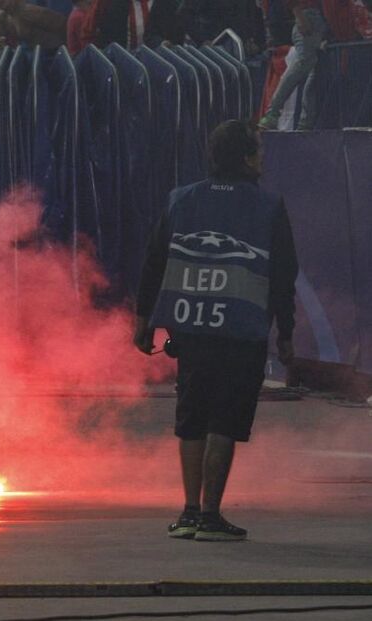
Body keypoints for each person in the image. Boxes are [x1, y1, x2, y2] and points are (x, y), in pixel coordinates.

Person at [133, 120, 298, 542]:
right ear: (245, 158)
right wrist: (286, 333)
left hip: (189, 327)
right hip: (241, 331)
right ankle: (210, 516)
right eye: (258, 151)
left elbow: (154, 261)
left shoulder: (180, 200)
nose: (262, 159)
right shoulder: (268, 206)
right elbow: (283, 275)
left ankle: (189, 512)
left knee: (191, 417)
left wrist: (143, 320)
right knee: (224, 419)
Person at [258, 0, 328, 130]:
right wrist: (299, 14)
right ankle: (273, 112)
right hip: (308, 16)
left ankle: (305, 122)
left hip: (316, 18)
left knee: (313, 70)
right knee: (303, 64)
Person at [86, 0, 183, 49]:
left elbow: (175, 37)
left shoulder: (168, 3)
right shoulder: (114, 4)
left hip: (161, 64)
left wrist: (164, 44)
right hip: (125, 65)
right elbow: (105, 40)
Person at [0, 0, 69, 50]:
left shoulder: (28, 11)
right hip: (31, 52)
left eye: (1, 1)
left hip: (53, 50)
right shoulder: (2, 15)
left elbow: (61, 23)